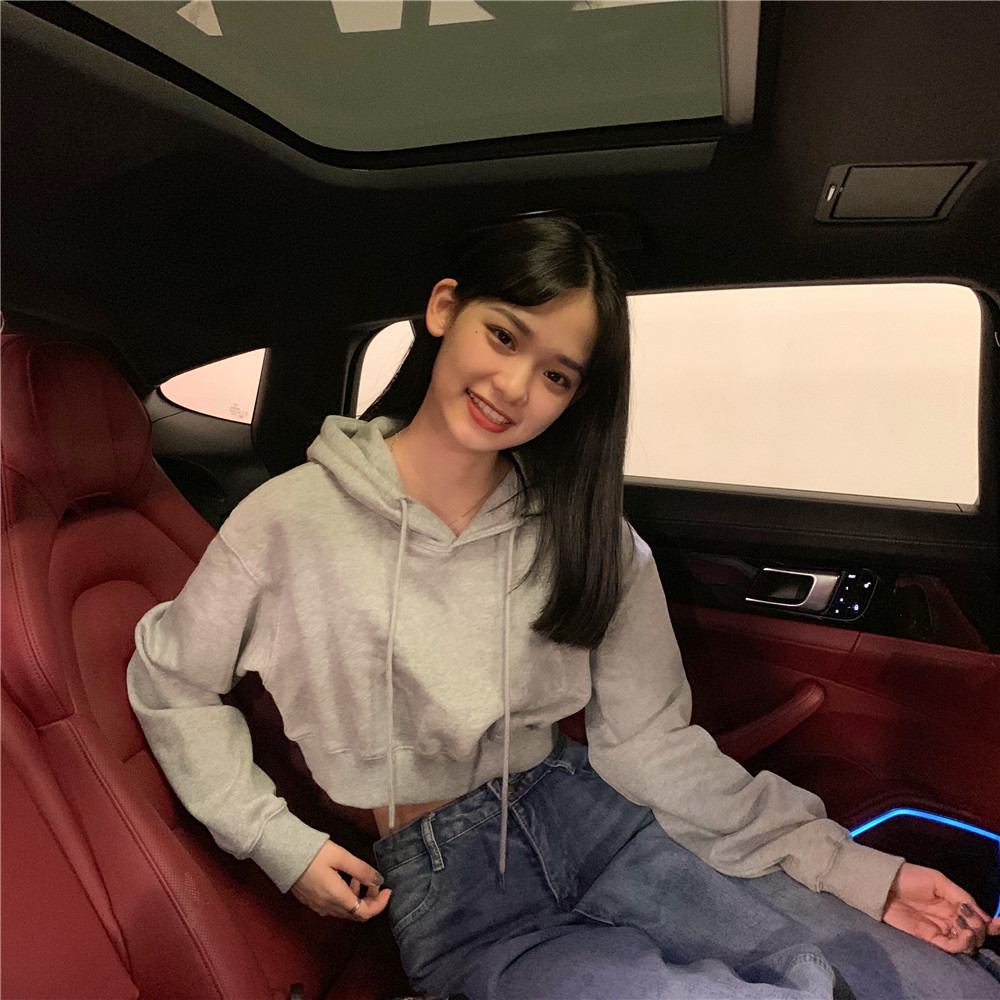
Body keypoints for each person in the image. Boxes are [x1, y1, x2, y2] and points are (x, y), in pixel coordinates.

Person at [128, 214, 1000, 999]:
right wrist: (277, 842)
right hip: (461, 894)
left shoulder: (588, 535)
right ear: (444, 309)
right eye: (503, 335)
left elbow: (653, 746)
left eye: (554, 374)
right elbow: (172, 682)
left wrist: (853, 871)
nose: (513, 386)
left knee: (936, 983)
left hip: (603, 821)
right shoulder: (287, 521)